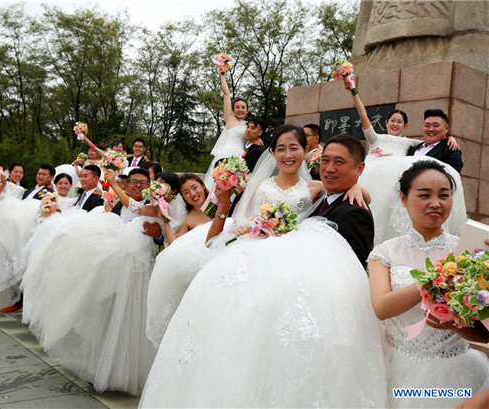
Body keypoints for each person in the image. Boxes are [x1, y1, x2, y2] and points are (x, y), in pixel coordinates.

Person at [139, 125, 386, 407]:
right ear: (272, 153)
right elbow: (220, 226)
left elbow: (353, 201)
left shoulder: (316, 189)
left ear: (306, 152)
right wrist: (234, 214)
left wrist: (358, 185)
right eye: (281, 148)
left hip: (293, 269)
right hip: (253, 254)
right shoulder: (257, 186)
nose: (288, 154)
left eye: (294, 148)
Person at [22, 166, 173, 395]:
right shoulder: (122, 204)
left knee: (132, 319)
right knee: (109, 317)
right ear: (129, 183)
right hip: (117, 267)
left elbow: (153, 223)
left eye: (143, 182)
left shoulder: (157, 206)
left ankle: (126, 373)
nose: (138, 186)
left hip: (139, 269)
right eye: (134, 182)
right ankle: (102, 367)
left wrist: (113, 184)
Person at [368, 160, 488, 408]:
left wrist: (455, 327)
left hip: (457, 371)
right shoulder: (385, 252)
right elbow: (381, 307)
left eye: (444, 195)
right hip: (400, 370)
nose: (436, 203)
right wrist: (435, 278)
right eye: (424, 195)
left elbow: (483, 331)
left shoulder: (468, 250)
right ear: (403, 198)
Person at [343, 81, 466, 246]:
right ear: (386, 122)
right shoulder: (407, 146)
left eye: (399, 122)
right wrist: (353, 89)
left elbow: (451, 172)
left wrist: (449, 138)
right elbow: (363, 116)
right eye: (392, 121)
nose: (395, 124)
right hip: (382, 190)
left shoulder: (416, 145)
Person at [146, 174, 212, 348]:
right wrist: (166, 221)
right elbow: (176, 244)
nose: (192, 194)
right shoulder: (189, 217)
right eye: (186, 192)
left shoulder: (219, 203)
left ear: (203, 186)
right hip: (201, 264)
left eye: (195, 188)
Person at [0, 162, 47, 312]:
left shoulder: (23, 190)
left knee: (14, 253)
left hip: (16, 222)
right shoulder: (1, 183)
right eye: (16, 172)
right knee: (2, 253)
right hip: (2, 218)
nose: (18, 174)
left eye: (21, 172)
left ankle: (16, 296)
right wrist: (2, 183)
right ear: (9, 172)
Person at [309, 135, 374, 268]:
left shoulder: (355, 213)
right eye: (325, 160)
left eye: (339, 162)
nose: (329, 168)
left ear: (359, 169)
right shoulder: (320, 199)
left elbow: (352, 270)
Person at [203, 72, 250, 189]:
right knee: (218, 183)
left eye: (243, 107)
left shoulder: (249, 126)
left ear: (247, 111)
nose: (240, 109)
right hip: (226, 154)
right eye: (237, 107)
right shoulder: (230, 120)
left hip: (240, 156)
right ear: (233, 110)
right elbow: (226, 94)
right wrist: (222, 74)